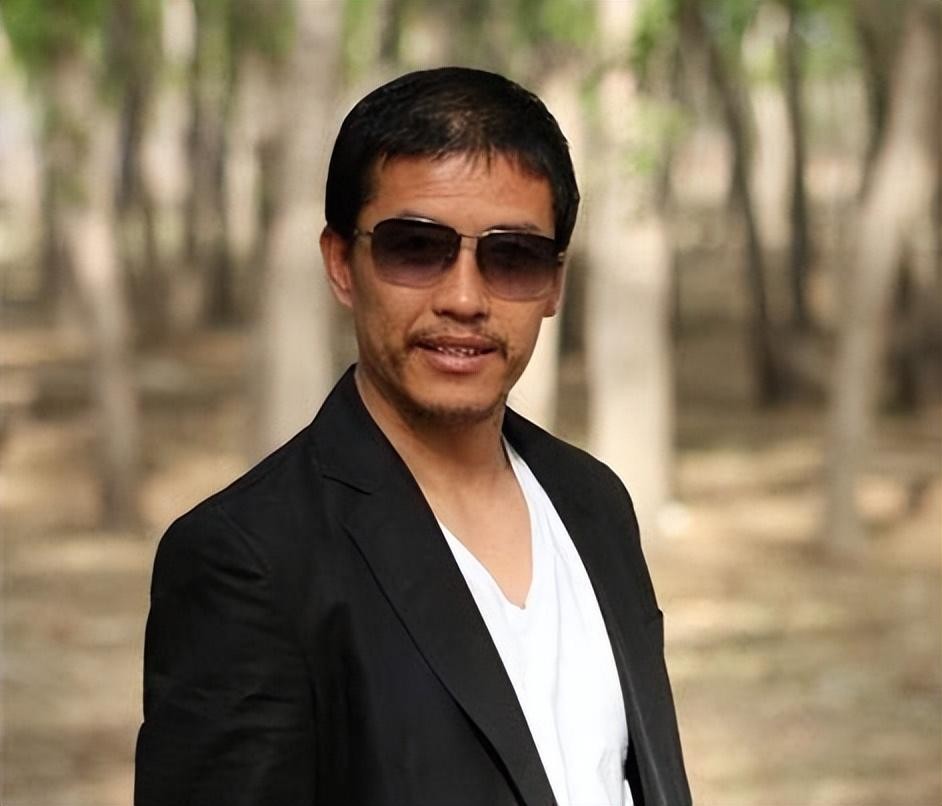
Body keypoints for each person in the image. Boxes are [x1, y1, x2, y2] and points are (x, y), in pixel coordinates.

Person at [134, 66, 690, 806]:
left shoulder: (593, 504)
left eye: (512, 257)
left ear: (554, 283)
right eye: (416, 248)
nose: (464, 298)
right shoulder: (250, 560)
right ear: (342, 264)